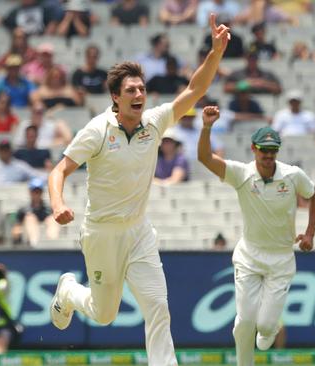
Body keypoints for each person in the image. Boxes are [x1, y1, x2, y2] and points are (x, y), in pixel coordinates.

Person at [47, 15, 230, 366]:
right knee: (104, 315)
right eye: (130, 90)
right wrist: (58, 205)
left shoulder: (155, 122)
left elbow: (195, 90)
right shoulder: (97, 130)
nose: (139, 95)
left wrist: (216, 52)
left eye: (142, 89)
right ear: (115, 97)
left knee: (158, 306)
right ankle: (69, 291)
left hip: (138, 232)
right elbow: (60, 170)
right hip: (102, 234)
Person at [197, 123, 315, 366]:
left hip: (281, 259)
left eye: (273, 150)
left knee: (264, 327)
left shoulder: (292, 175)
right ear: (253, 149)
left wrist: (310, 234)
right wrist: (207, 126)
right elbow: (203, 157)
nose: (268, 155)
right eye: (263, 150)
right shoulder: (241, 173)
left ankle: (268, 330)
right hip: (249, 257)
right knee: (244, 322)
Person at [0, 139, 40, 246]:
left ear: (10, 150)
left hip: (17, 196)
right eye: (2, 149)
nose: (5, 152)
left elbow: (36, 176)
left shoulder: (20, 166)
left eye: (7, 149)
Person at [12, 178, 59, 246]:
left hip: (46, 232)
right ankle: (35, 245)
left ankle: (52, 244)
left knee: (52, 219)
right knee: (30, 218)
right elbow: (16, 229)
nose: (36, 194)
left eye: (39, 191)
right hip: (26, 237)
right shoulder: (23, 210)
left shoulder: (49, 209)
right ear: (30, 192)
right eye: (34, 191)